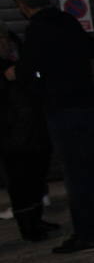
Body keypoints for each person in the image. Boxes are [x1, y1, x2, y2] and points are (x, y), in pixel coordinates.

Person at [6, 0, 94, 254]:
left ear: (23, 6)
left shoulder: (38, 29)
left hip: (64, 110)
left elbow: (28, 69)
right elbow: (92, 48)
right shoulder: (67, 20)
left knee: (75, 176)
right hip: (87, 105)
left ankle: (87, 235)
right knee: (87, 171)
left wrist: (16, 73)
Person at [0, 23, 58, 242]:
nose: (6, 45)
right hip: (11, 136)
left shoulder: (18, 57)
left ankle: (37, 220)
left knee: (35, 179)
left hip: (33, 129)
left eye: (7, 41)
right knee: (20, 184)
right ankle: (28, 227)